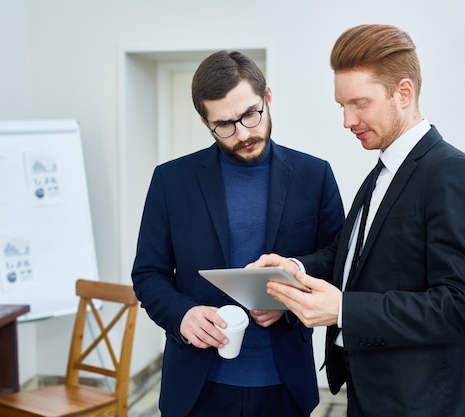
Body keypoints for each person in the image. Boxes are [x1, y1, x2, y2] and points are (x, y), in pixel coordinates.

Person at [249, 24, 465, 416]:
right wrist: (294, 268)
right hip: (371, 393)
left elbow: (464, 307)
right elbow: (353, 259)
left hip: (428, 403)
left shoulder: (454, 174)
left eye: (359, 103)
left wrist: (344, 310)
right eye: (341, 106)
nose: (347, 121)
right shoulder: (383, 170)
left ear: (404, 92)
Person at [131, 50, 345, 417]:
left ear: (268, 98)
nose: (243, 133)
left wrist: (289, 297)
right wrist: (183, 314)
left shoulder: (315, 175)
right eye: (225, 125)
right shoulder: (171, 181)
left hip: (284, 383)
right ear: (205, 121)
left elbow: (337, 258)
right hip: (196, 388)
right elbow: (148, 274)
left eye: (250, 114)